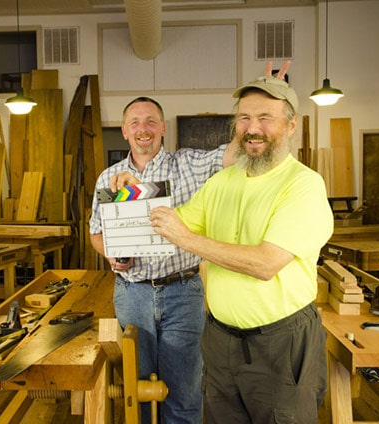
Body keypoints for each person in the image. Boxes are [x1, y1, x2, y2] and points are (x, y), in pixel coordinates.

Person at [149, 73, 334, 423]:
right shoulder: (222, 182)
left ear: (291, 125)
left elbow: (265, 264)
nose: (253, 128)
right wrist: (126, 195)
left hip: (280, 344)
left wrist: (187, 240)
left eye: (266, 118)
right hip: (220, 341)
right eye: (245, 118)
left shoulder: (304, 186)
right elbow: (172, 223)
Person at [88, 95, 237, 423]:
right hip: (132, 294)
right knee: (135, 391)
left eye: (151, 121)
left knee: (184, 392)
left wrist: (259, 110)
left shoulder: (187, 165)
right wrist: (111, 254)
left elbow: (232, 155)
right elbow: (96, 234)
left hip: (182, 291)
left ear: (163, 129)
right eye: (135, 123)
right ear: (125, 131)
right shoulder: (109, 178)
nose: (144, 129)